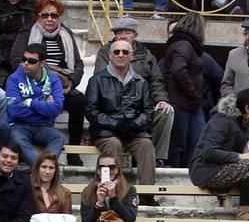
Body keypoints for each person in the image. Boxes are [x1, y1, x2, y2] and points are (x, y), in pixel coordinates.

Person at [91, 17, 173, 174]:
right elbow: (101, 82)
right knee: (114, 141)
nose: (122, 36)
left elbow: (156, 80)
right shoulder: (106, 52)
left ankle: (157, 158)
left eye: (127, 32)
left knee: (166, 111)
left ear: (135, 35)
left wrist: (161, 99)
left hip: (141, 105)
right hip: (113, 109)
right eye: (118, 33)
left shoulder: (146, 55)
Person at [87, 37, 159, 193]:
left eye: (125, 52)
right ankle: (117, 192)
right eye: (117, 51)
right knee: (114, 144)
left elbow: (148, 111)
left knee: (146, 145)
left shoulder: (141, 81)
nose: (121, 55)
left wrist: (134, 125)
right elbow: (91, 111)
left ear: (131, 56)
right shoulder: (96, 80)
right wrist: (115, 124)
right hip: (106, 133)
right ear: (110, 55)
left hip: (133, 132)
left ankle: (147, 194)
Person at [11, 0, 85, 147]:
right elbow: (16, 60)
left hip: (63, 84)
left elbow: (78, 64)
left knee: (79, 102)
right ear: (37, 16)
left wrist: (71, 82)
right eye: (44, 15)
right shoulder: (27, 32)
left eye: (54, 15)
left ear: (59, 16)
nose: (49, 19)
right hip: (31, 83)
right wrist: (41, 78)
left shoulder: (66, 33)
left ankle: (74, 149)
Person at [191, 89, 249, 222]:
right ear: (247, 108)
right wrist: (240, 156)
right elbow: (209, 152)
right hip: (206, 170)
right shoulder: (221, 121)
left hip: (226, 168)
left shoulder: (244, 125)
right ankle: (243, 214)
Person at [5, 42, 65, 164]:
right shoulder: (13, 79)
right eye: (24, 59)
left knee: (58, 138)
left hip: (44, 126)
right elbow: (14, 110)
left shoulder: (53, 80)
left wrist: (30, 102)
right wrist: (44, 104)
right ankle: (43, 170)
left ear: (42, 63)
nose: (25, 63)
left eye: (32, 61)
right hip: (19, 125)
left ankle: (42, 169)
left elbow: (57, 108)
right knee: (17, 139)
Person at [163, 13, 207, 167]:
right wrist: (194, 93)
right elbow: (178, 70)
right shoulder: (184, 45)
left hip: (187, 103)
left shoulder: (182, 44)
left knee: (192, 143)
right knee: (182, 144)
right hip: (183, 103)